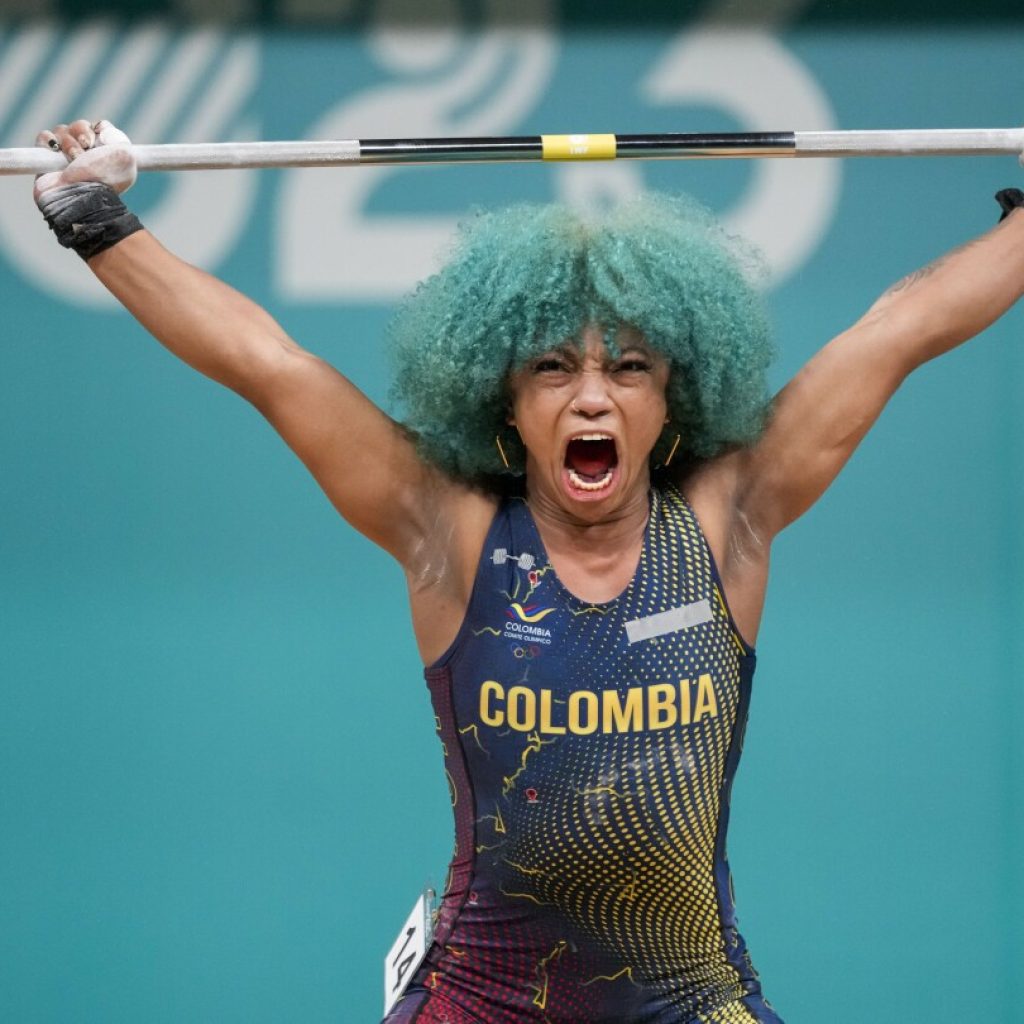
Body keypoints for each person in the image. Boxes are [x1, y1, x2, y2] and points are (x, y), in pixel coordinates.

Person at [33, 119, 1024, 1024]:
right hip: (482, 998)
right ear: (503, 401)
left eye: (628, 368)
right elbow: (269, 364)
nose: (591, 397)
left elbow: (899, 330)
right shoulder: (447, 532)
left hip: (690, 997)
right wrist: (96, 218)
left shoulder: (732, 517)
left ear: (673, 397)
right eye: (553, 368)